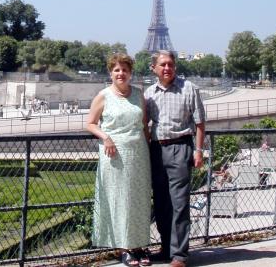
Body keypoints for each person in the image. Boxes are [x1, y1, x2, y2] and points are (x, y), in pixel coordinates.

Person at [86, 53, 152, 267]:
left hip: (139, 154)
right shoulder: (103, 96)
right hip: (113, 154)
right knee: (119, 200)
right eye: (117, 70)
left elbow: (144, 125)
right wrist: (106, 137)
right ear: (110, 73)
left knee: (139, 200)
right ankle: (123, 247)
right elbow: (90, 123)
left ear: (131, 73)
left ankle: (140, 244)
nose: (121, 73)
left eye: (124, 70)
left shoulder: (139, 95)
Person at [144, 50, 205, 267]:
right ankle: (166, 248)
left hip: (180, 148)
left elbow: (199, 123)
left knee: (179, 203)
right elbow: (145, 124)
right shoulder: (149, 93)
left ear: (175, 66)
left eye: (170, 64)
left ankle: (180, 254)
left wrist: (198, 151)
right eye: (162, 65)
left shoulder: (189, 88)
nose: (167, 68)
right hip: (157, 150)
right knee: (161, 202)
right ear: (154, 68)